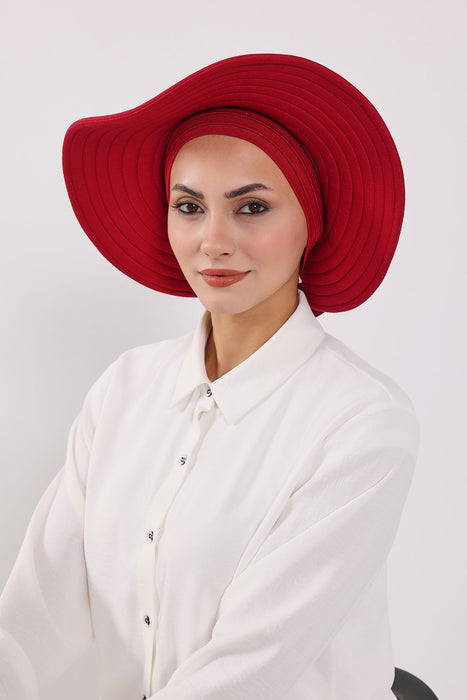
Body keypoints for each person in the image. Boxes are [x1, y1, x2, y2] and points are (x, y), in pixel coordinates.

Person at [0, 54, 419, 700]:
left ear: (311, 222)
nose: (213, 241)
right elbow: (33, 619)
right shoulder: (124, 390)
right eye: (189, 206)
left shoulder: (361, 422)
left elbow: (246, 672)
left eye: (251, 207)